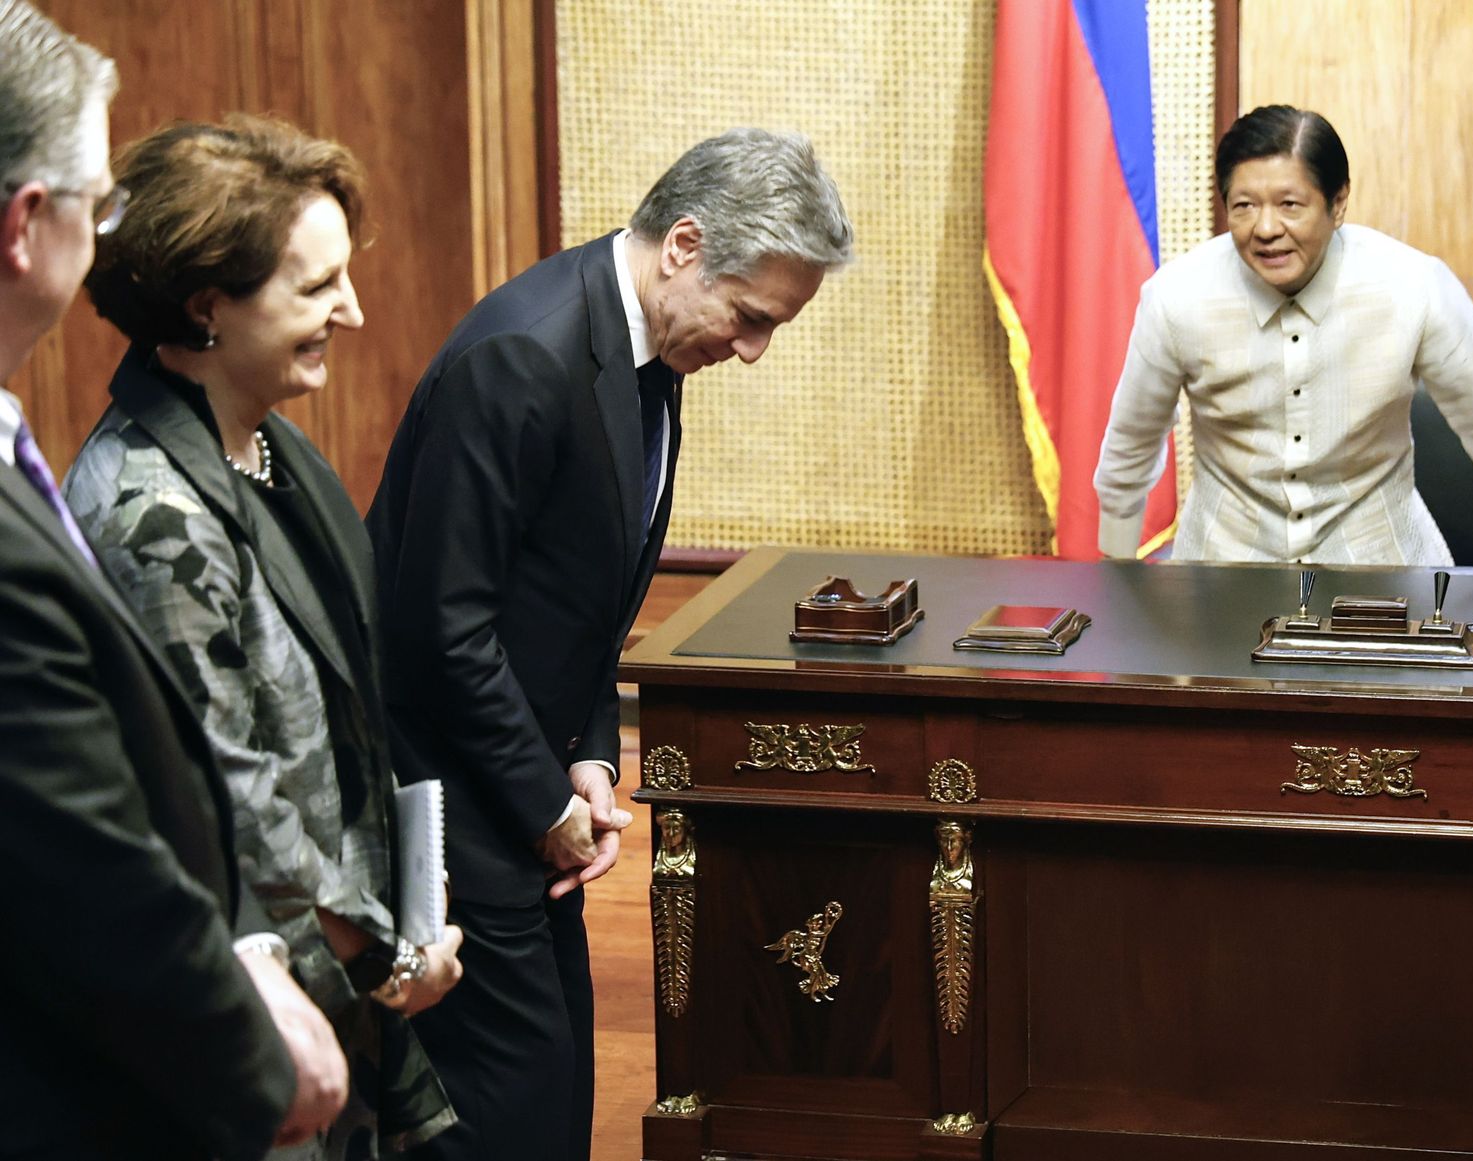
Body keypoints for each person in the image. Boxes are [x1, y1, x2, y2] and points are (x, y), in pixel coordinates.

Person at [366, 127, 853, 1159]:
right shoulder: (519, 358)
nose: (754, 349)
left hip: (526, 795)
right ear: (685, 245)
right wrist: (546, 802)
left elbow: (582, 600)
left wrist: (590, 756)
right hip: (452, 803)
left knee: (552, 1101)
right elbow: (436, 631)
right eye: (751, 316)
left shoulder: (646, 349)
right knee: (499, 1122)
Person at [62, 114, 464, 1158]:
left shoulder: (268, 450)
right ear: (207, 307)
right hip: (260, 1021)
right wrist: (387, 964)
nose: (355, 309)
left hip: (336, 981)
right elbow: (235, 802)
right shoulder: (156, 516)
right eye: (316, 287)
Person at [0, 4, 349, 1157]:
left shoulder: (280, 453)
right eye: (97, 204)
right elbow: (102, 842)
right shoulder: (140, 497)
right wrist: (268, 1050)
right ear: (24, 224)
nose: (108, 233)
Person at [1093, 104, 1473, 571]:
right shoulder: (1176, 298)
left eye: (1289, 205)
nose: (1266, 228)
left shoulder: (1413, 287)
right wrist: (1116, 560)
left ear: (1338, 203)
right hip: (1224, 575)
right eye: (1244, 206)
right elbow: (1132, 440)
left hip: (1387, 572)